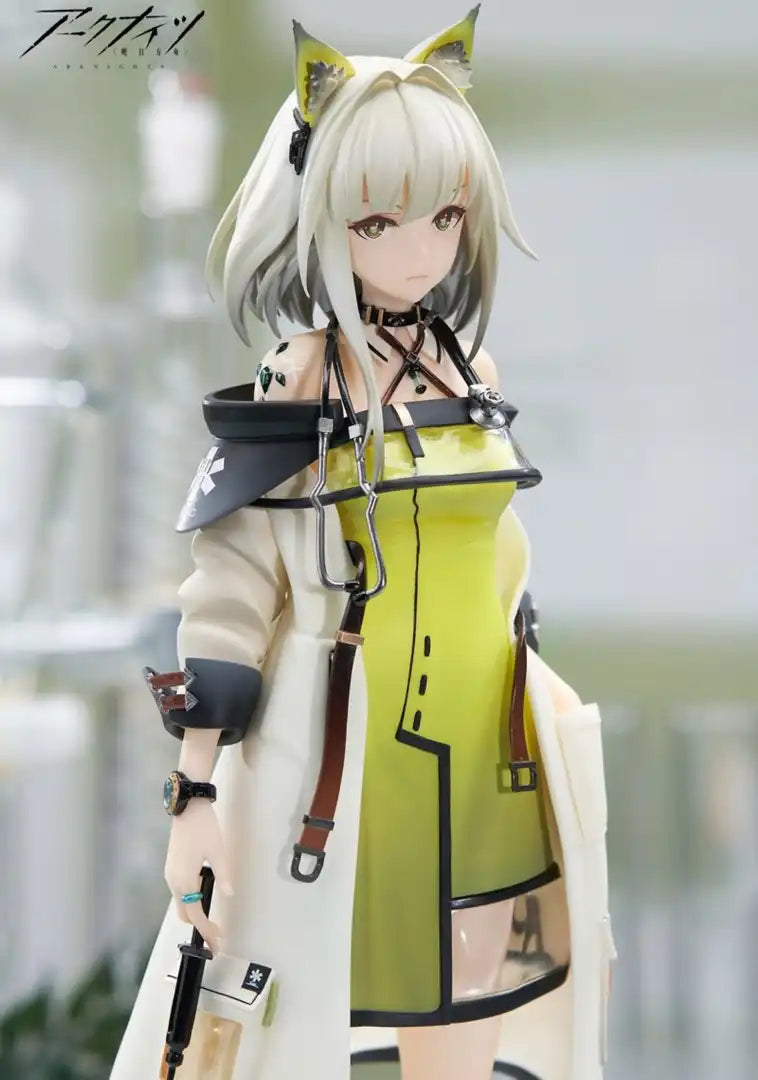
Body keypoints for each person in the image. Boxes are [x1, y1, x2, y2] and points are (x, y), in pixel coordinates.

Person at [110, 8, 616, 1080]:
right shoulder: (302, 380)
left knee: (474, 992)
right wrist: (194, 794)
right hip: (352, 749)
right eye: (378, 221)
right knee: (301, 1019)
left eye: (445, 215)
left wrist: (543, 690)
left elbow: (496, 556)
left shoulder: (468, 368)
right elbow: (233, 584)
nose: (421, 250)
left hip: (491, 738)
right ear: (320, 212)